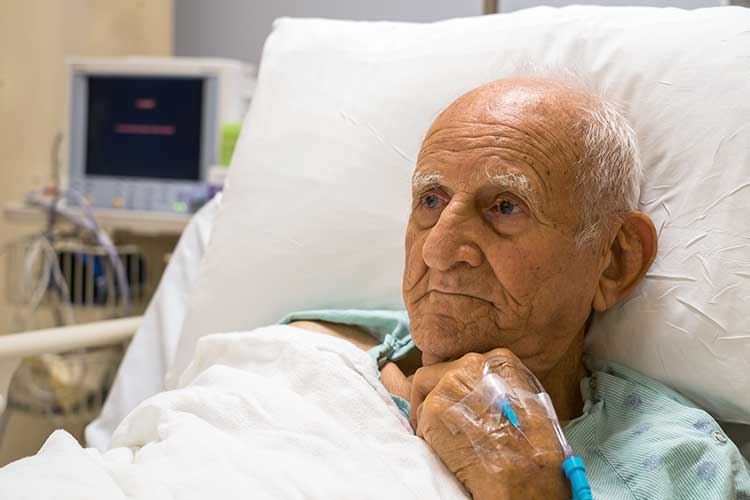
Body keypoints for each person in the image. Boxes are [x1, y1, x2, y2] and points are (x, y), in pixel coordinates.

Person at [284, 78, 750, 499]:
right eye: (431, 200)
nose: (438, 250)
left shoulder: (683, 468)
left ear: (614, 261)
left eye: (505, 207)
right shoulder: (305, 357)